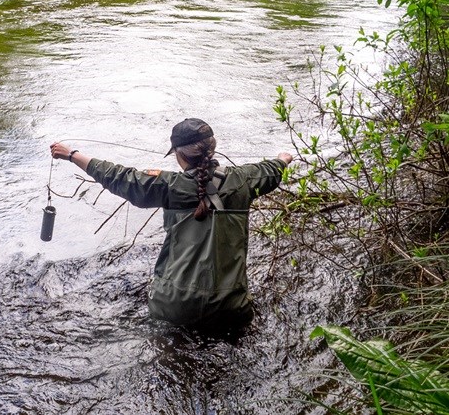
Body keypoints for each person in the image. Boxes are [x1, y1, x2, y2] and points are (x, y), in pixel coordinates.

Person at [50, 118, 293, 330]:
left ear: (178, 154)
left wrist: (72, 155)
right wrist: (283, 160)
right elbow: (271, 169)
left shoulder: (168, 185)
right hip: (230, 307)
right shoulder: (244, 180)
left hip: (173, 307)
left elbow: (118, 176)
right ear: (213, 148)